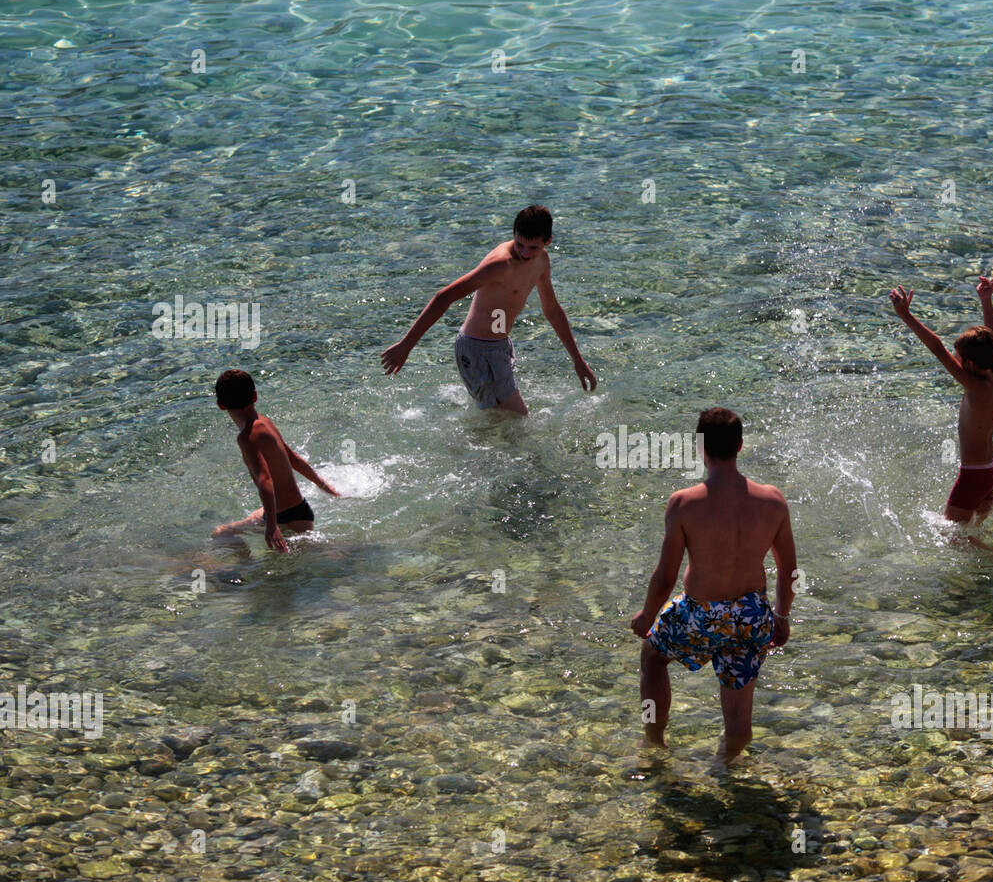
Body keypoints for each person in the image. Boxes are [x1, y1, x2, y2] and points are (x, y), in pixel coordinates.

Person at [630, 407, 798, 766]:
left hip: (701, 613)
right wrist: (781, 617)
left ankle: (654, 742)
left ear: (699, 446)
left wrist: (648, 615)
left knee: (653, 656)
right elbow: (789, 570)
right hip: (752, 615)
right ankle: (725, 766)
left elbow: (665, 576)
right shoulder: (773, 500)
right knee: (738, 702)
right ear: (740, 445)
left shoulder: (684, 503)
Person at [379, 204, 597, 415]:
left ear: (547, 242)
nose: (525, 252)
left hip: (499, 346)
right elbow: (444, 297)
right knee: (517, 421)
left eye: (533, 247)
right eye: (519, 244)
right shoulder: (500, 264)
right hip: (477, 350)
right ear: (513, 234)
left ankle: (466, 450)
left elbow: (551, 308)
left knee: (501, 423)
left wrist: (578, 361)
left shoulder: (541, 261)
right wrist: (406, 345)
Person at [890, 275, 993, 524]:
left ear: (970, 364)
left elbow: (936, 348)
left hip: (974, 475)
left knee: (953, 539)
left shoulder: (974, 386)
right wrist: (986, 301)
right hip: (992, 469)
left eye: (959, 357)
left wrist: (905, 315)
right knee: (977, 529)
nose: (955, 359)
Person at [211, 369, 340, 552]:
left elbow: (265, 480)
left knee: (222, 534)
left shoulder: (247, 438)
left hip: (286, 519)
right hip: (297, 509)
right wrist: (324, 485)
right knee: (225, 532)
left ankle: (246, 570)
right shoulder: (264, 422)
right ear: (255, 396)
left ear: (221, 405)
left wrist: (272, 526)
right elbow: (293, 459)